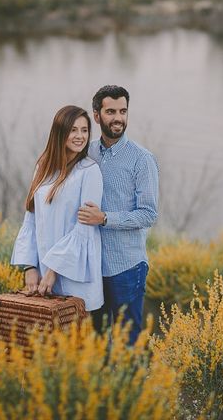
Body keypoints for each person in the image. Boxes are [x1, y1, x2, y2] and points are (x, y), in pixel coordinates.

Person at [77, 85, 159, 345]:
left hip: (127, 267)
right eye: (111, 111)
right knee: (96, 341)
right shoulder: (85, 153)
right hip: (91, 266)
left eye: (123, 111)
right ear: (97, 115)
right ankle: (102, 386)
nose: (118, 118)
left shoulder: (141, 159)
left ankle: (131, 385)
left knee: (128, 343)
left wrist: (104, 218)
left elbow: (148, 215)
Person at [10, 105, 104, 312]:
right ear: (60, 132)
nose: (80, 136)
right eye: (73, 130)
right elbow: (31, 219)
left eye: (84, 130)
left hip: (75, 274)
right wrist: (30, 266)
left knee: (74, 338)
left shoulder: (89, 171)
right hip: (44, 271)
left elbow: (84, 228)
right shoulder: (43, 166)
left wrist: (54, 270)